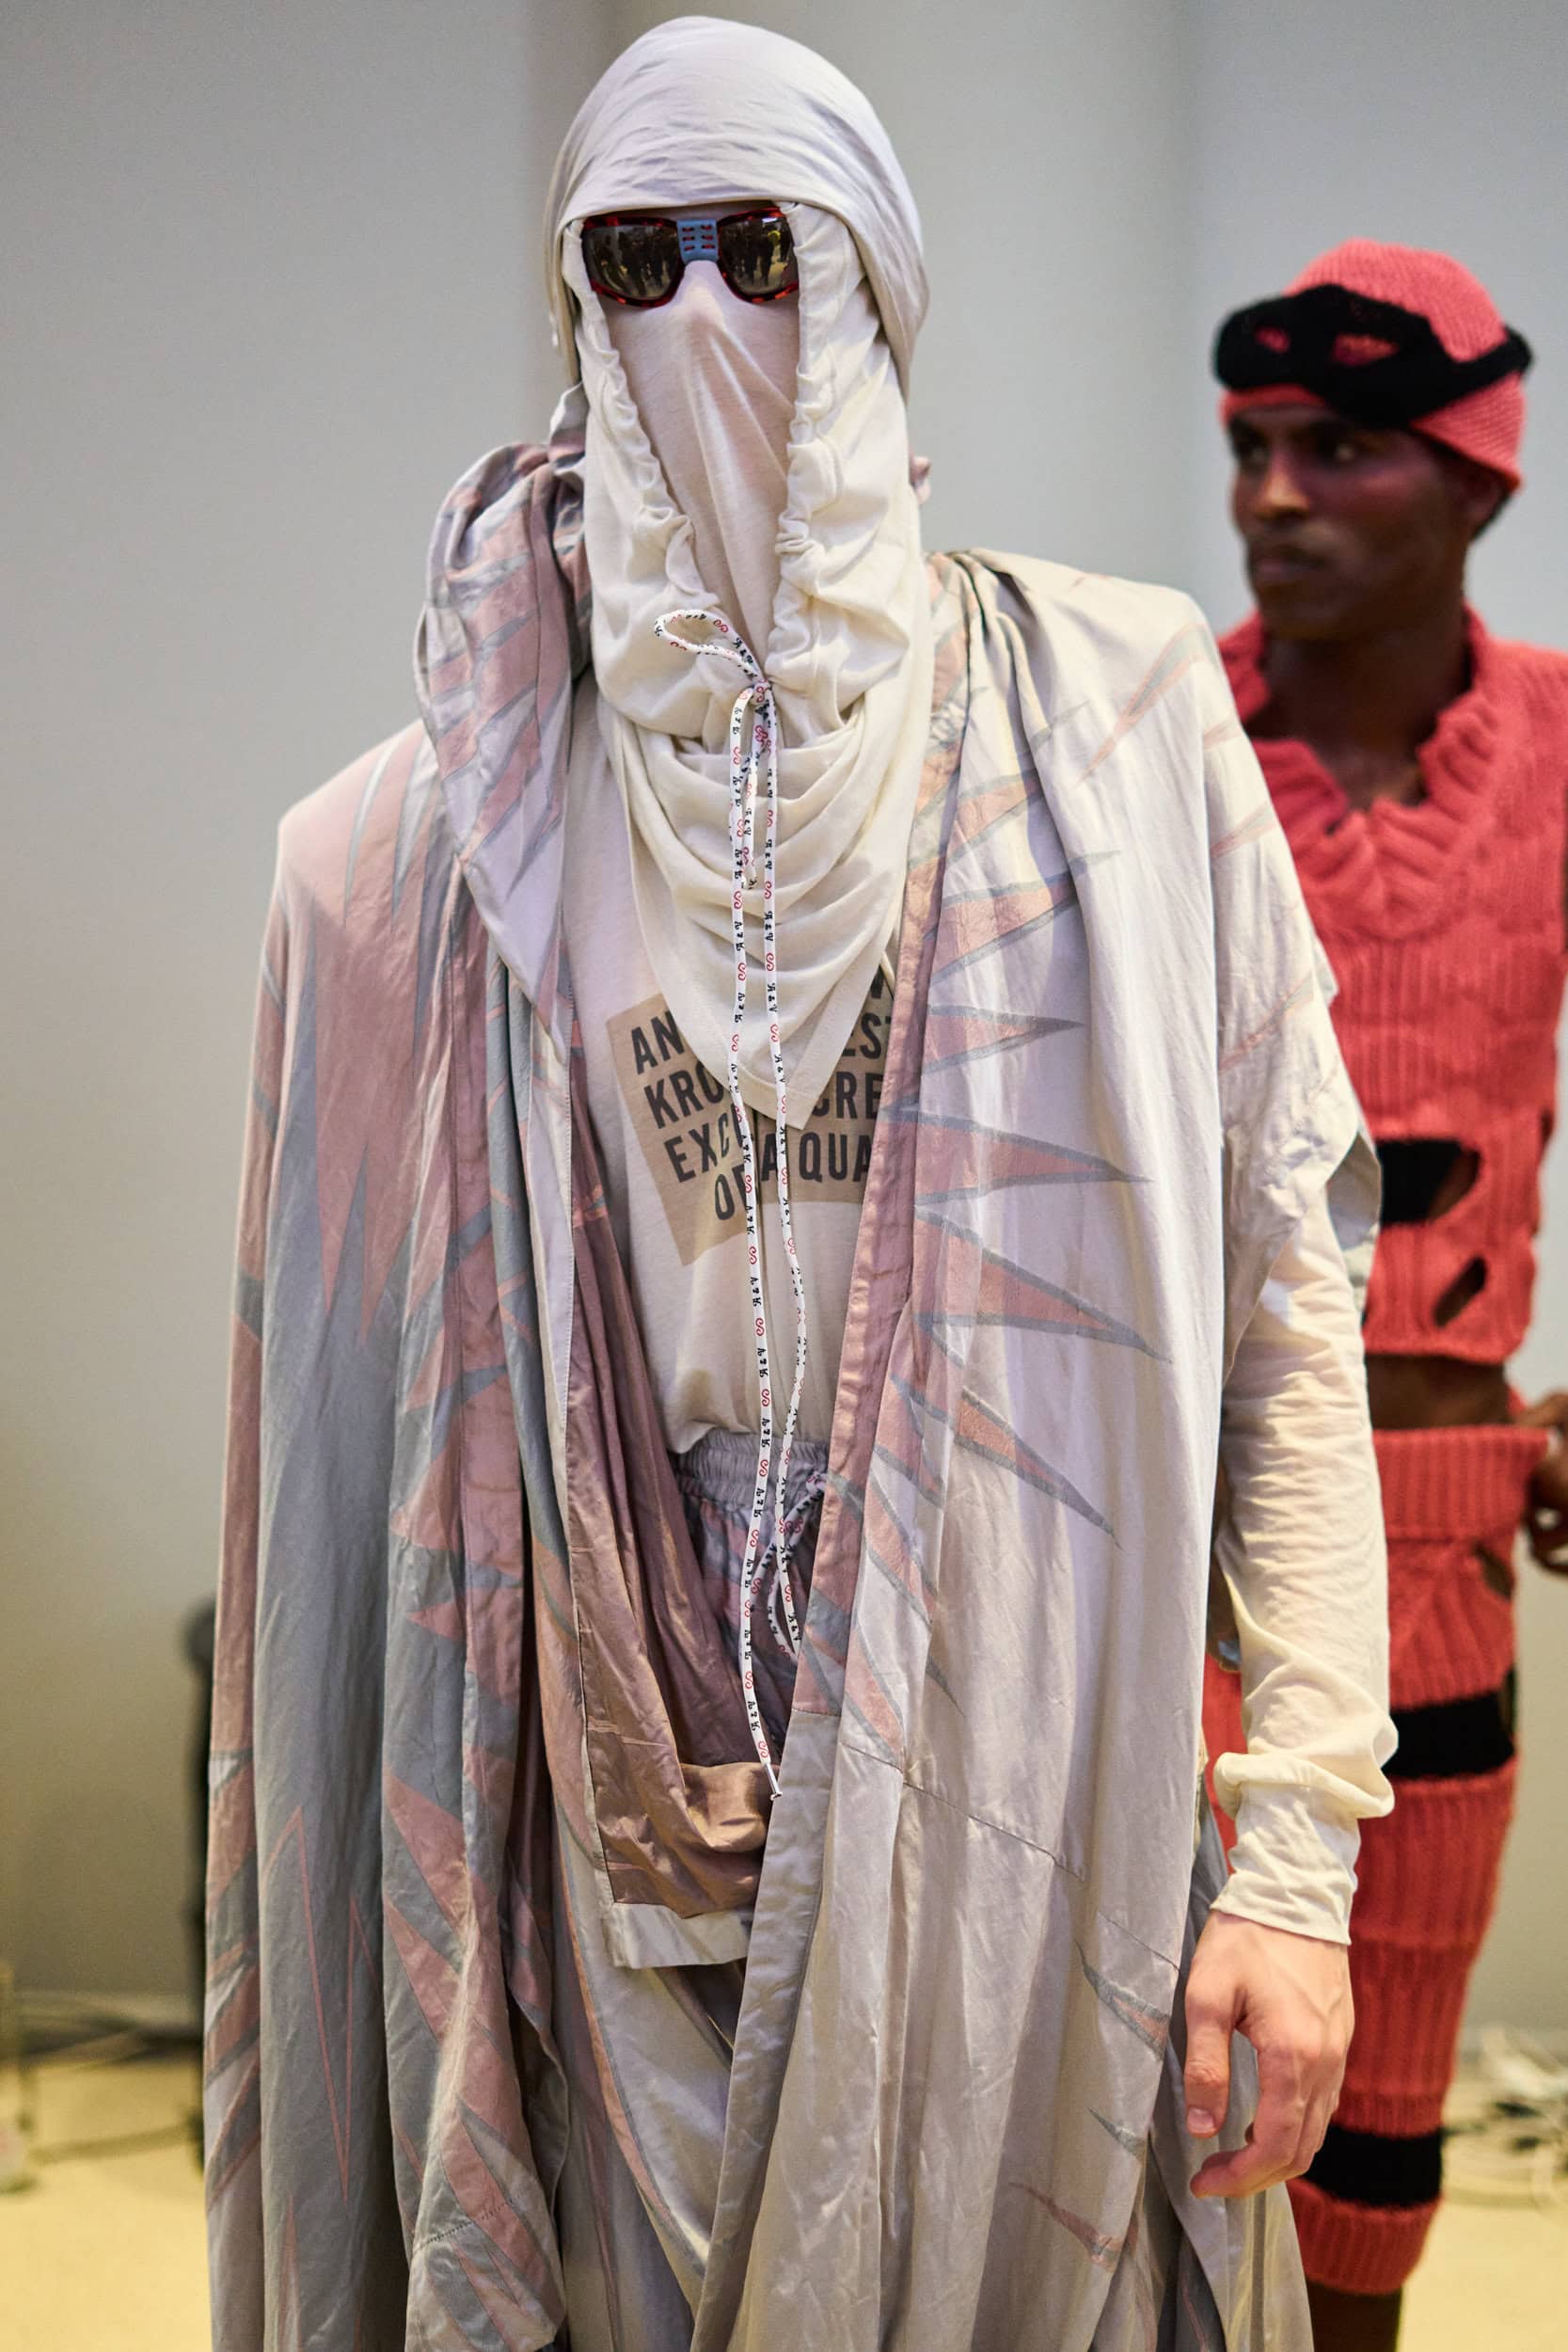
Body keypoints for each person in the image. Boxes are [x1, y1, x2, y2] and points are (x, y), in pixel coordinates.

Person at [204, 23, 1395, 2350]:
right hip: (587, 1843)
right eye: (630, 261)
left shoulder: (1122, 727)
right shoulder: (414, 846)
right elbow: (335, 1498)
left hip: (1032, 1802)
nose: (697, 318)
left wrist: (1299, 1860)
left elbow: (1278, 1308)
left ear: (873, 283)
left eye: (761, 250)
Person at [1208, 239, 1568, 2351]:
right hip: (1168, 1530)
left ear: (1475, 481)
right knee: (1153, 2085)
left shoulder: (1560, 747)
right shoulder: (1154, 742)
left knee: (1379, 2123)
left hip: (1441, 1515)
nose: (1273, 494)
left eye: (1339, 448)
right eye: (1252, 445)